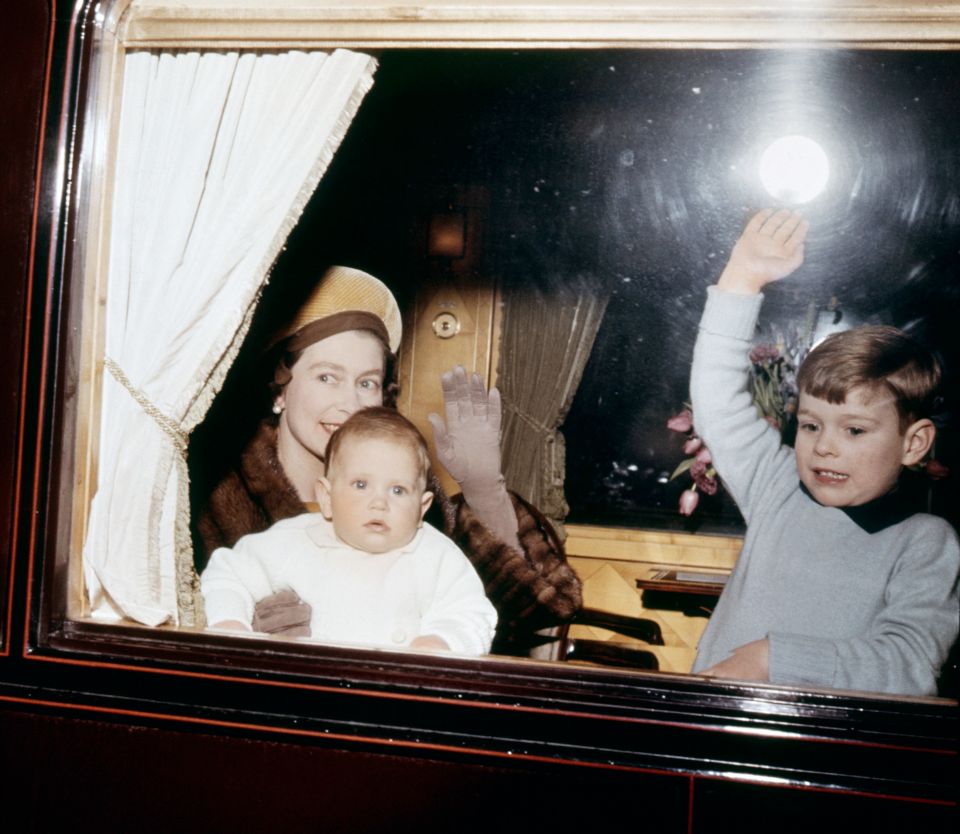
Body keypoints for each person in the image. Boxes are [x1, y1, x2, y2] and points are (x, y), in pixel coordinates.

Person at [195, 265, 581, 650]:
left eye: (367, 383)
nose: (349, 403)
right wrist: (248, 625)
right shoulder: (210, 503)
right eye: (327, 377)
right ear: (278, 389)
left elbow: (530, 612)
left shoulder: (411, 499)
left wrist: (485, 490)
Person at [689, 208, 960, 696]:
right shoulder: (777, 489)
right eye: (810, 425)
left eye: (855, 430)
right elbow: (717, 404)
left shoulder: (926, 542)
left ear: (914, 443)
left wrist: (775, 657)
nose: (825, 447)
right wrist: (743, 278)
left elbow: (910, 663)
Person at [201, 408, 498, 655]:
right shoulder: (294, 541)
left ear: (422, 508)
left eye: (398, 489)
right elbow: (229, 573)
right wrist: (230, 624)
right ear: (327, 498)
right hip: (305, 689)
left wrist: (439, 642)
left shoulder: (436, 556)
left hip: (396, 695)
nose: (379, 502)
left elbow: (471, 613)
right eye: (360, 485)